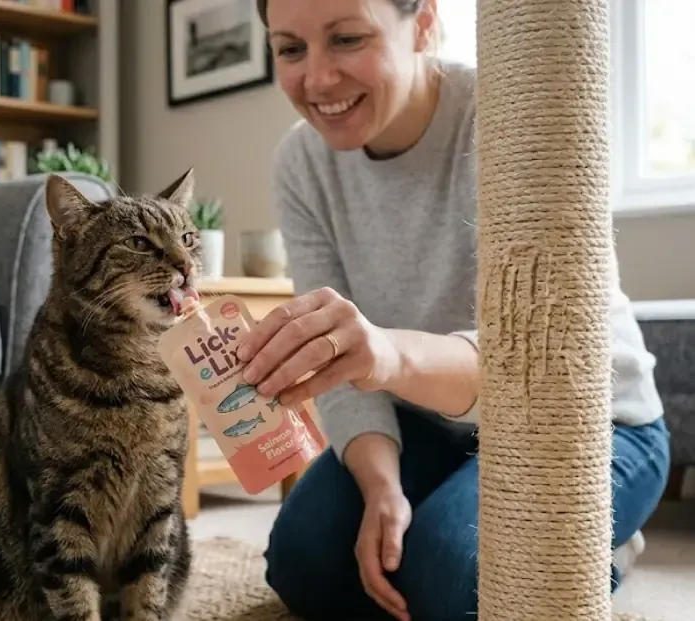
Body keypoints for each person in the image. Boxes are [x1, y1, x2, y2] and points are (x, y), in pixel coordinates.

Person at [235, 1, 672, 619]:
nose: (319, 80)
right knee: (303, 562)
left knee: (450, 579)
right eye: (290, 49)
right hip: (433, 423)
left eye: (347, 38)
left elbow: (540, 354)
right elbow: (341, 371)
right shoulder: (300, 163)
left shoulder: (505, 113)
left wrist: (387, 353)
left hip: (590, 419)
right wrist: (381, 485)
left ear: (421, 24)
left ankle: (600, 552)